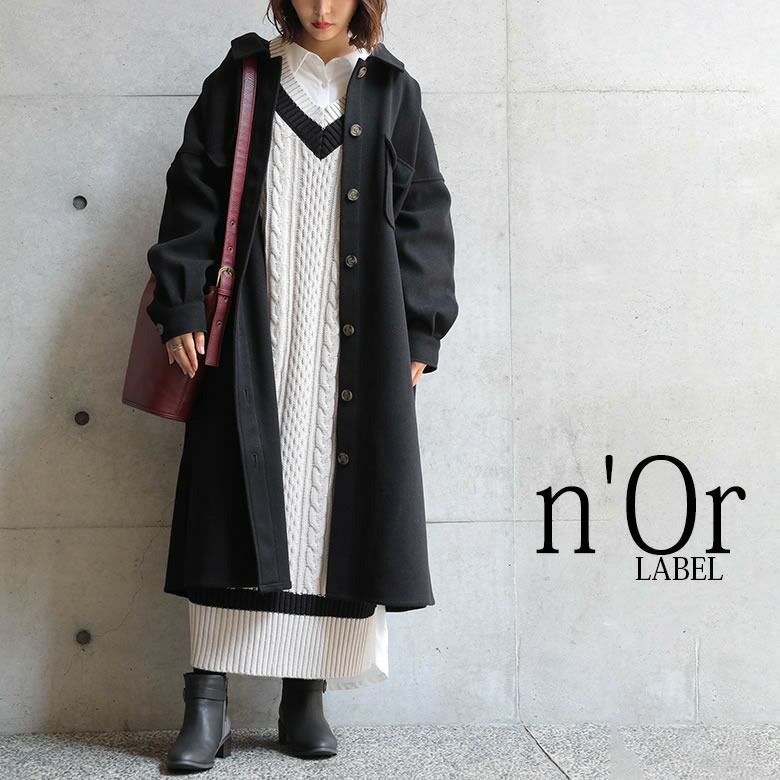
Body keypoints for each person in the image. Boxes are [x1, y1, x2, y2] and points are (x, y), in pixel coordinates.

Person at [146, 0, 458, 770]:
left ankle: (304, 696)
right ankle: (207, 700)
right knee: (228, 501)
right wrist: (182, 305)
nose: (322, 8)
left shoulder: (391, 90)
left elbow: (423, 214)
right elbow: (193, 193)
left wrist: (421, 331)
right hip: (252, 330)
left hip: (356, 345)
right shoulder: (244, 79)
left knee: (329, 510)